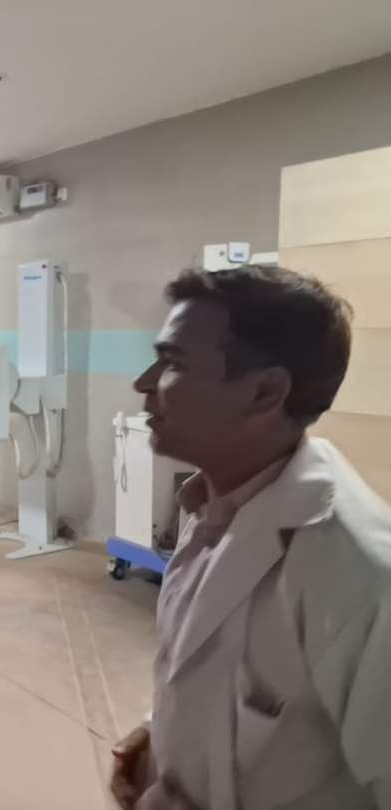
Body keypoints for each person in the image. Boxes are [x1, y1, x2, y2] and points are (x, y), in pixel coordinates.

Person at [110, 266, 391, 809]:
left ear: (264, 392)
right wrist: (160, 735)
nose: (144, 382)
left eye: (173, 362)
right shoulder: (216, 502)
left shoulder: (360, 575)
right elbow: (217, 676)